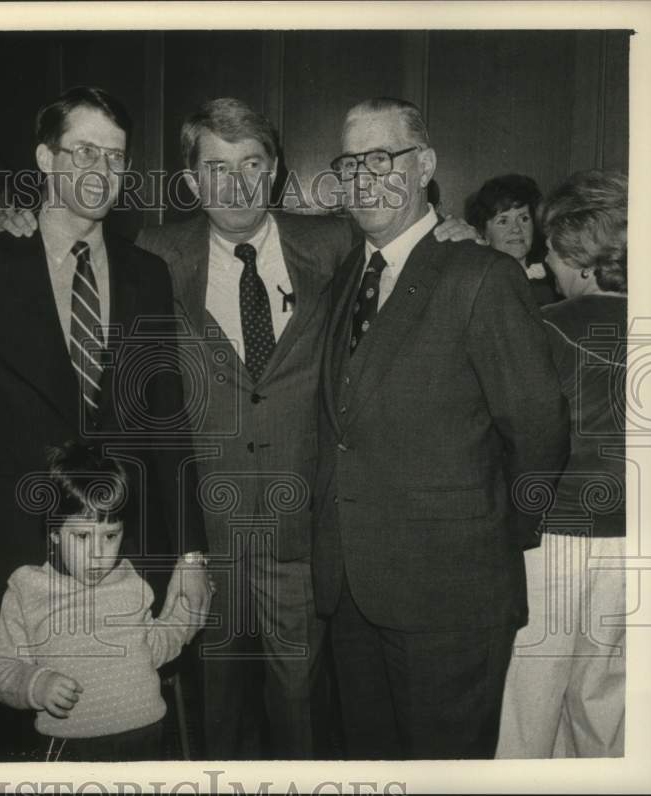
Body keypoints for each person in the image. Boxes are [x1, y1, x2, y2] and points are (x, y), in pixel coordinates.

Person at [135, 97, 479, 760]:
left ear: (273, 172)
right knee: (218, 724)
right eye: (216, 167)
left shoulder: (333, 241)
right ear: (189, 181)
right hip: (205, 542)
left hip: (308, 541)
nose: (234, 184)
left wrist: (452, 235)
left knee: (308, 723)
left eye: (251, 163)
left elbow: (411, 251)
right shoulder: (152, 254)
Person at [0, 86, 210, 757]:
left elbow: (166, 418)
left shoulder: (147, 274)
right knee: (18, 745)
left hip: (124, 552)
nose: (100, 170)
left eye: (116, 156)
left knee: (126, 732)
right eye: (84, 151)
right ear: (45, 157)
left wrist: (189, 552)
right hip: (14, 546)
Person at [313, 97, 570, 759]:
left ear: (424, 164)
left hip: (453, 600)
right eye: (350, 163)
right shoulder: (349, 275)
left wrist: (494, 538)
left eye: (382, 158)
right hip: (352, 593)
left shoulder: (481, 274)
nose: (363, 178)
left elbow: (539, 428)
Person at [496, 170, 628, 758]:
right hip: (638, 545)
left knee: (528, 706)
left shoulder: (543, 328)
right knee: (607, 708)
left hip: (552, 540)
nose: (543, 256)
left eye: (550, 244)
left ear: (578, 253)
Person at [0, 441, 195, 762]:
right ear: (53, 532)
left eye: (110, 536)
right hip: (72, 750)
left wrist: (186, 614)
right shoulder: (28, 587)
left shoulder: (130, 579)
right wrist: (35, 685)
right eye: (81, 536)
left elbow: (154, 646)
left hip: (147, 741)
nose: (98, 553)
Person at [466, 173, 558, 305]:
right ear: (483, 232)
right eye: (503, 221)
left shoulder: (553, 279)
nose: (516, 228)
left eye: (524, 219)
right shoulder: (477, 286)